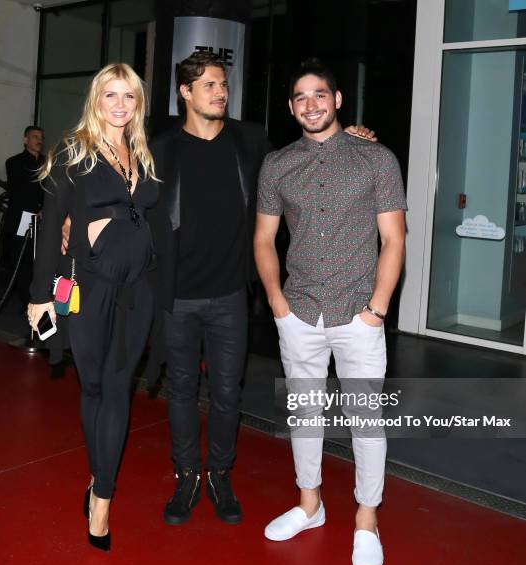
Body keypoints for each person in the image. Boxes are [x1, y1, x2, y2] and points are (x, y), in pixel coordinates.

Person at [147, 51, 377, 527]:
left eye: (223, 84)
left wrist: (351, 139)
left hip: (232, 294)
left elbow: (305, 155)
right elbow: (126, 193)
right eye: (210, 85)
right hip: (176, 296)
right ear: (185, 93)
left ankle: (219, 475)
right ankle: (187, 474)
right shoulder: (161, 148)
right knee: (183, 391)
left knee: (229, 392)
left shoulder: (249, 142)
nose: (221, 92)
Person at [254, 59, 406, 565]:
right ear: (291, 107)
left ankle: (367, 519)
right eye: (301, 97)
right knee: (305, 416)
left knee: (367, 422)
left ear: (337, 100)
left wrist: (377, 309)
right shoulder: (277, 165)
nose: (311, 104)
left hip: (358, 313)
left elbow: (394, 239)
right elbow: (263, 239)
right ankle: (309, 506)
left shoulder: (376, 159)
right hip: (300, 312)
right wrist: (278, 303)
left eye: (320, 95)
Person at [27, 63, 159, 552]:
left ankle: (102, 497)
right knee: (95, 385)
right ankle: (97, 471)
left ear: (137, 103)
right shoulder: (74, 152)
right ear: (96, 100)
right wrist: (41, 295)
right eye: (111, 95)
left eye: (129, 96)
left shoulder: (142, 153)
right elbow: (53, 226)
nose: (120, 104)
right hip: (86, 287)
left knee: (119, 388)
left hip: (138, 290)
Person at [2, 126, 45, 310]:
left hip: (43, 217)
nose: (39, 140)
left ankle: (39, 296)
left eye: (41, 137)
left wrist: (45, 208)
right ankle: (25, 300)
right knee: (22, 258)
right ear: (25, 140)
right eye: (35, 137)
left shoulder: (46, 162)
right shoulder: (14, 162)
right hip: (23, 217)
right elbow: (22, 189)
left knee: (40, 259)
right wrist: (36, 207)